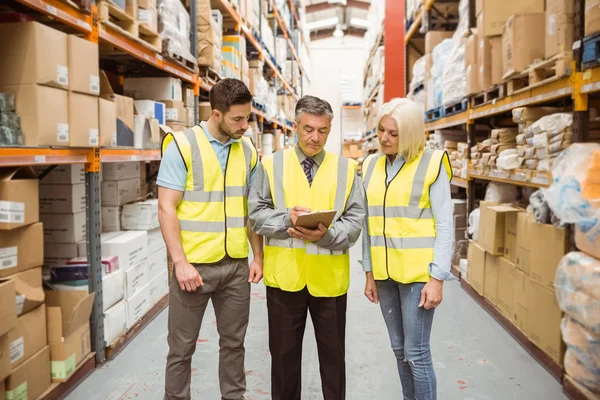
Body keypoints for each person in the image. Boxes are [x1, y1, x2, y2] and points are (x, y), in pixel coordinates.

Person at [248, 95, 365, 400]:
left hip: (329, 281)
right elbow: (255, 215)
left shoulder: (347, 170)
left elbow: (355, 222)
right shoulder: (271, 165)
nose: (315, 137)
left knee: (333, 360)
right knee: (284, 361)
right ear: (295, 126)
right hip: (285, 279)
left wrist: (324, 236)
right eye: (309, 129)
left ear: (330, 129)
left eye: (323, 130)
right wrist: (288, 219)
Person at [158, 78, 263, 400]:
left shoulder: (247, 149)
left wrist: (257, 257)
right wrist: (180, 264)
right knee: (182, 347)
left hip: (234, 266)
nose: (245, 126)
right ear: (216, 114)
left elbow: (250, 209)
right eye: (238, 119)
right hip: (193, 268)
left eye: (248, 118)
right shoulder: (182, 145)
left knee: (234, 343)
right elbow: (166, 207)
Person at [361, 98, 454, 400]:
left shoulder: (432, 164)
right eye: (381, 130)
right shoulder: (371, 165)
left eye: (394, 133)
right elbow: (368, 222)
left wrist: (437, 277)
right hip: (386, 274)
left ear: (411, 134)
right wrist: (369, 272)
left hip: (418, 275)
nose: (385, 138)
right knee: (399, 350)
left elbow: (444, 224)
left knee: (416, 351)